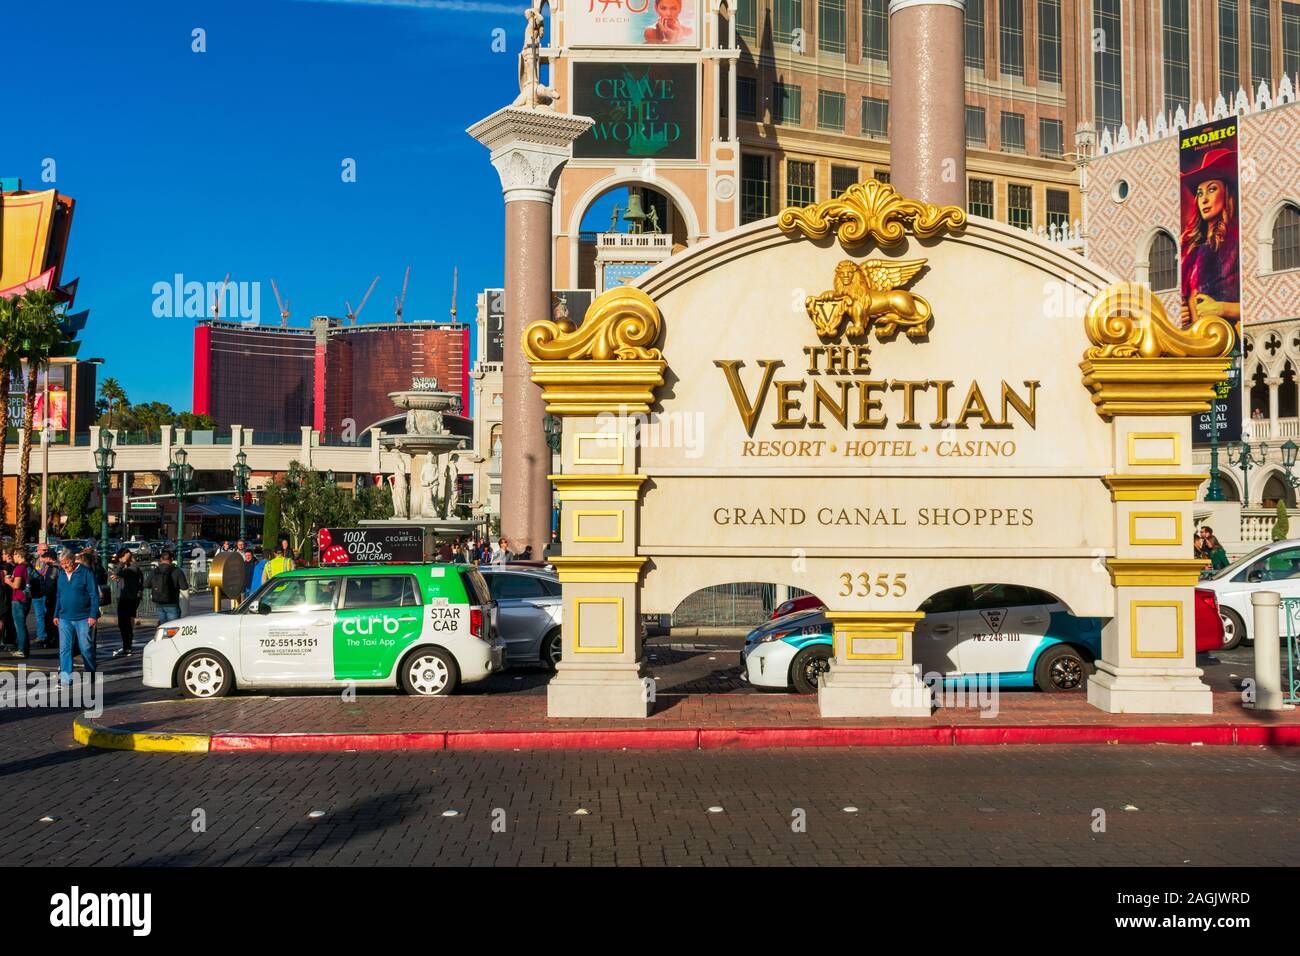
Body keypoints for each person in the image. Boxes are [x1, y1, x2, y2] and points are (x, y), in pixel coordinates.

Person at [1179, 148, 1240, 330]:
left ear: (1226, 193)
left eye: (1212, 189)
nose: (1204, 199)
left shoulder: (1235, 241)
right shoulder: (1190, 247)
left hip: (1223, 340)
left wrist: (1221, 308)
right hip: (1192, 340)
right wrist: (1183, 315)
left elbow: (1258, 301)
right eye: (1199, 193)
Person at [53, 548, 99, 685]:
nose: (64, 566)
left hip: (83, 617)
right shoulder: (61, 575)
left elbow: (94, 595)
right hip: (64, 617)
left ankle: (90, 671)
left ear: (73, 560)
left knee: (85, 647)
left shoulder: (85, 572)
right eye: (62, 564)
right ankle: (66, 677)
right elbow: (59, 595)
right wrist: (56, 613)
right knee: (65, 648)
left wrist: (93, 614)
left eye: (66, 563)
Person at [110, 548, 143, 658]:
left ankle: (127, 646)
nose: (120, 560)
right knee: (125, 624)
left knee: (125, 624)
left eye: (122, 558)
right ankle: (127, 645)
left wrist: (122, 564)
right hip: (126, 597)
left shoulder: (132, 568)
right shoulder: (129, 568)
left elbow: (117, 573)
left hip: (128, 598)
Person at [150, 550, 189, 624]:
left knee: (163, 626)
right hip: (172, 604)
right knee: (174, 627)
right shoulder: (177, 571)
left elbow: (146, 584)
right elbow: (184, 587)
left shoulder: (155, 571)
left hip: (159, 604)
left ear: (161, 559)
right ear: (171, 559)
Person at [6, 551, 30, 659]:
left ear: (20, 555)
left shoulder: (20, 568)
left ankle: (22, 650)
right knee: (22, 625)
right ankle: (24, 649)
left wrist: (7, 581)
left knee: (19, 626)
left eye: (14, 555)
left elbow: (16, 585)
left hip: (19, 599)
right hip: (25, 598)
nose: (13, 557)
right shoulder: (27, 566)